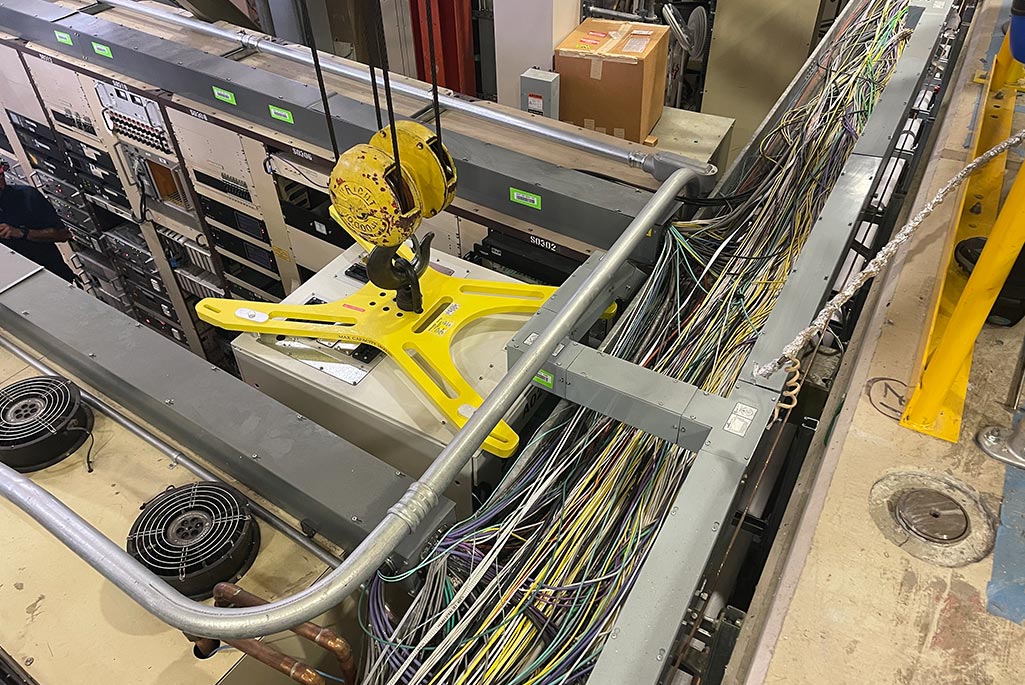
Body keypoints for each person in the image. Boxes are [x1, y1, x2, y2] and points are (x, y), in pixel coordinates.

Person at [0, 162, 76, 282]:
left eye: (1, 176)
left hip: (53, 277)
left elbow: (63, 235)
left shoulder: (27, 196)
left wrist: (22, 233)